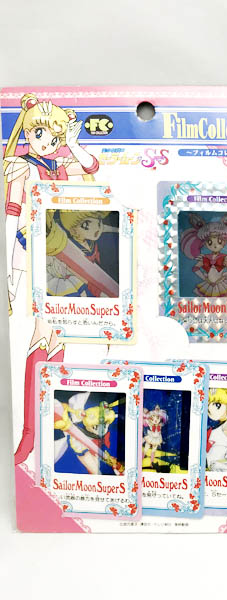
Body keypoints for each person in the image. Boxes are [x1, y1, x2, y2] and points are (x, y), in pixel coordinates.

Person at [4, 94, 100, 464]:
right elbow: (11, 217)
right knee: (43, 334)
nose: (48, 142)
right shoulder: (21, 167)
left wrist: (72, 143)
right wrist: (8, 270)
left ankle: (45, 430)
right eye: (41, 133)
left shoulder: (61, 164)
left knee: (58, 337)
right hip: (33, 254)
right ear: (29, 131)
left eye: (55, 137)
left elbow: (92, 167)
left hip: (65, 258)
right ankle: (31, 433)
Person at [180, 213, 227, 297]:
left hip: (222, 285)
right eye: (210, 242)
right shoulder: (205, 258)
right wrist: (205, 279)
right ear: (205, 244)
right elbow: (195, 269)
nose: (215, 245)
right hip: (208, 286)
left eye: (219, 241)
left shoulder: (225, 259)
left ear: (225, 242)